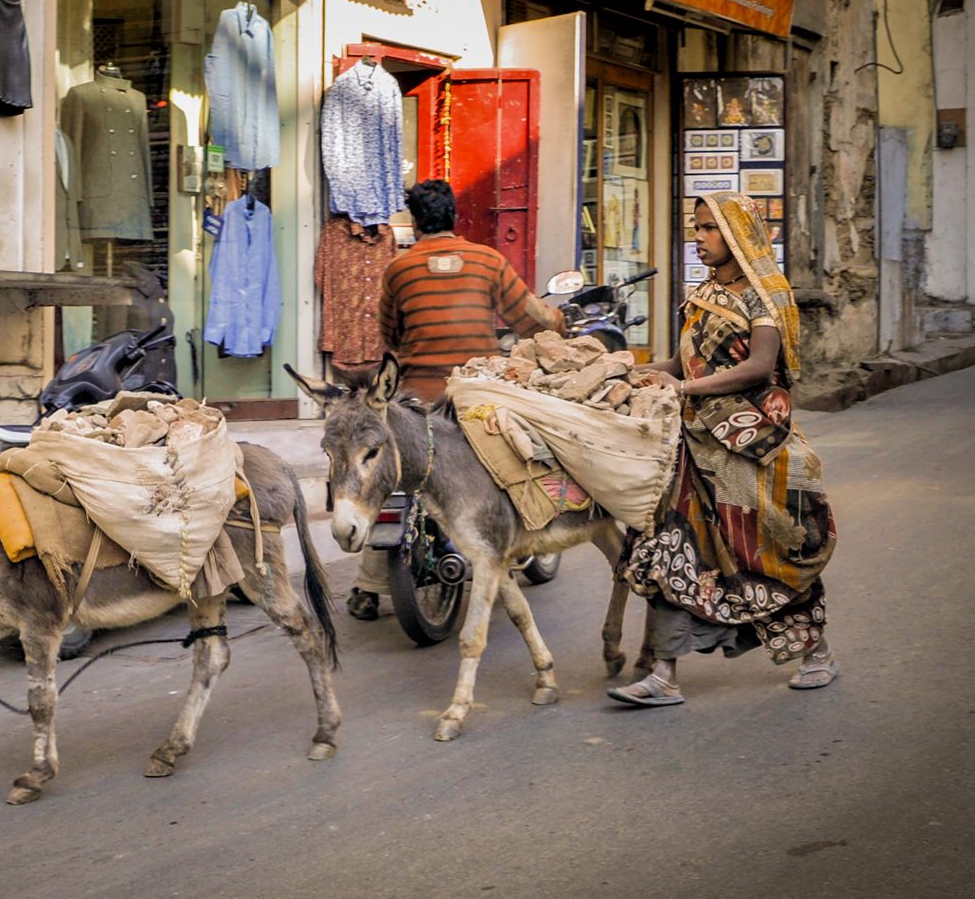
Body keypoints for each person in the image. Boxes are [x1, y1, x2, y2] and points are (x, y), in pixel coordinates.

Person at [608, 192, 838, 706]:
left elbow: (759, 366)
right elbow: (683, 362)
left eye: (709, 228)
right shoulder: (704, 291)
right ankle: (664, 674)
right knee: (671, 544)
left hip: (752, 445)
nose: (699, 237)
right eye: (697, 227)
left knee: (762, 554)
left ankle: (815, 651)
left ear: (737, 234)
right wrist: (642, 372)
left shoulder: (765, 293)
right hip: (692, 446)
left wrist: (683, 390)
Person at [345, 178, 565, 621]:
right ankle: (520, 535)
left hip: (414, 399)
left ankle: (368, 586)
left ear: (414, 222)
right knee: (517, 459)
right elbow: (531, 318)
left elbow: (391, 336)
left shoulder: (399, 269)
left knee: (394, 481)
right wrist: (558, 321)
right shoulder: (487, 260)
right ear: (455, 217)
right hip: (472, 398)